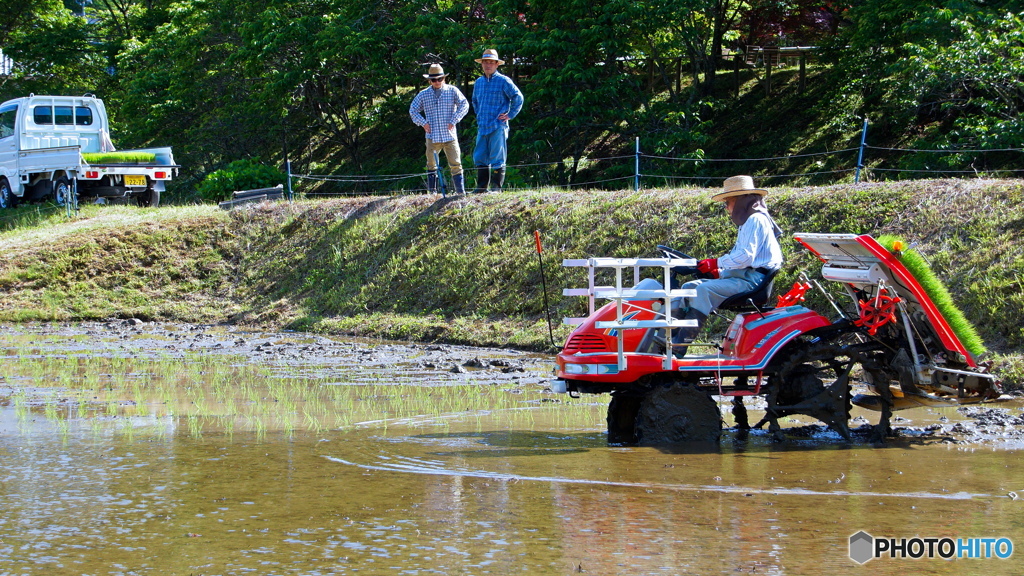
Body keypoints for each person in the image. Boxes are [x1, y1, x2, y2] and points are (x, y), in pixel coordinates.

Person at [642, 175, 784, 357]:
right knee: (689, 287)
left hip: (752, 281)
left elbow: (746, 257)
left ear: (741, 200)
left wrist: (715, 263)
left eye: (728, 201)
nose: (726, 207)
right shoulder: (749, 222)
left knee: (703, 291)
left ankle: (680, 344)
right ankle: (668, 336)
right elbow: (743, 259)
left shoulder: (755, 220)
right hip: (744, 276)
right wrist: (721, 272)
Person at [409, 64, 470, 194]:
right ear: (429, 81)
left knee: (456, 164)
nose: (437, 82)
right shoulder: (423, 94)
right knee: (431, 165)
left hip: (450, 135)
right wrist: (423, 123)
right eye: (434, 80)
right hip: (432, 136)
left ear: (444, 78)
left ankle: (460, 192)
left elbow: (464, 104)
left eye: (440, 79)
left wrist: (455, 119)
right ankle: (433, 193)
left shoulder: (452, 91)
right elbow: (412, 110)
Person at [470, 49, 524, 193]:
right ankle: (481, 188)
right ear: (481, 64)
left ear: (496, 64)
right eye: (485, 62)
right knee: (479, 156)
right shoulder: (479, 82)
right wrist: (479, 114)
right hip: (482, 125)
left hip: (497, 125)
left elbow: (518, 97)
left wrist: (510, 114)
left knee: (497, 157)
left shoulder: (503, 80)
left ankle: (496, 188)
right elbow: (474, 101)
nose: (488, 65)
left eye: (491, 62)